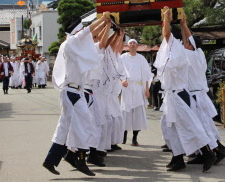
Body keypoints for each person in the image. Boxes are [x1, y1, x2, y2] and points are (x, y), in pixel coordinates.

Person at [42, 13, 111, 177]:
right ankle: (79, 158)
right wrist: (102, 20)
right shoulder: (70, 43)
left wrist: (105, 24)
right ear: (76, 33)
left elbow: (91, 35)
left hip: (76, 92)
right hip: (71, 92)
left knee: (65, 127)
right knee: (84, 123)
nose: (85, 36)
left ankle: (52, 160)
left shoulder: (75, 46)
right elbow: (88, 31)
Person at [154, 7, 216, 172]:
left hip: (180, 95)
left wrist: (166, 18)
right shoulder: (177, 48)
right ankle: (177, 157)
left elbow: (167, 35)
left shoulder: (181, 51)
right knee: (171, 128)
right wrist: (181, 23)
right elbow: (172, 36)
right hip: (172, 96)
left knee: (192, 126)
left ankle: (209, 152)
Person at [179, 12, 225, 165]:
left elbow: (188, 40)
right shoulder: (199, 53)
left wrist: (183, 24)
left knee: (201, 126)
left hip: (195, 97)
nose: (183, 43)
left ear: (190, 46)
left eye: (186, 42)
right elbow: (189, 39)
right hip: (200, 95)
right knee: (206, 124)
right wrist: (183, 24)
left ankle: (216, 151)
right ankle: (213, 149)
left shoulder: (191, 55)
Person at [120, 39, 152, 146]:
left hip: (138, 88)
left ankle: (134, 137)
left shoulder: (141, 59)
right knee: (125, 112)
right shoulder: (123, 58)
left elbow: (147, 75)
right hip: (127, 87)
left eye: (134, 43)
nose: (132, 44)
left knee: (137, 114)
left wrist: (147, 89)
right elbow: (118, 71)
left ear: (137, 46)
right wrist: (122, 80)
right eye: (130, 43)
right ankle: (123, 135)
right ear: (127, 46)